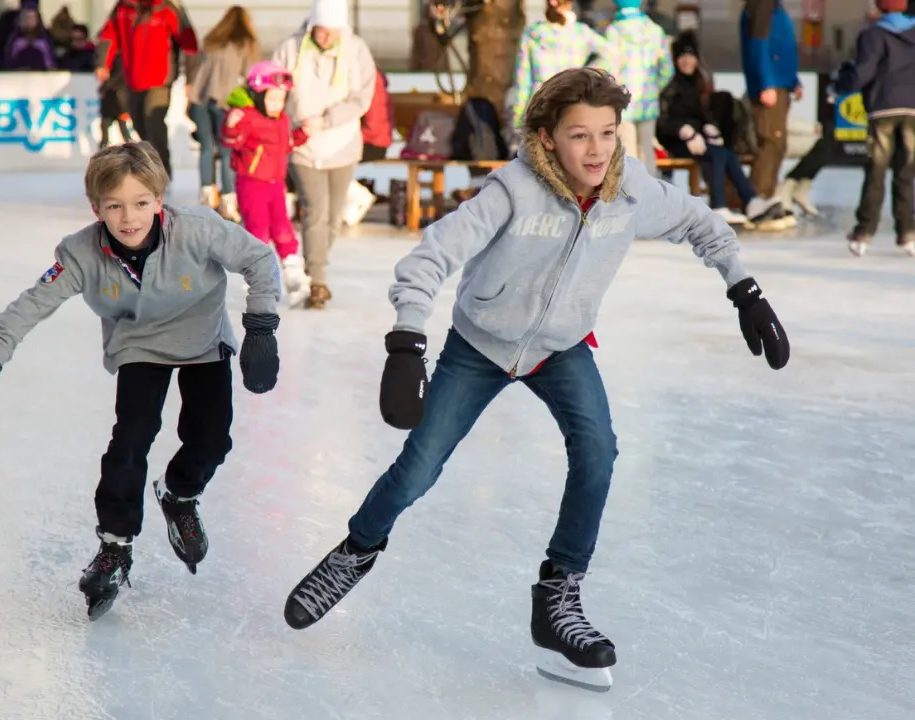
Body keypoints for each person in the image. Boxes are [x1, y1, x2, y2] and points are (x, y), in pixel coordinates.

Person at [281, 68, 790, 692]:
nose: (598, 149)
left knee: (598, 452)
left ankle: (558, 596)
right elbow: (430, 255)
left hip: (561, 347)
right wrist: (408, 342)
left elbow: (701, 224)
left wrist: (744, 287)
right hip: (480, 345)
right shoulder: (512, 190)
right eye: (581, 136)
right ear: (548, 139)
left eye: (607, 133)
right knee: (418, 467)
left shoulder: (629, 191)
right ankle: (356, 551)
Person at [0, 142, 282, 621]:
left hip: (204, 341)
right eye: (114, 206)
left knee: (211, 439)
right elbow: (30, 304)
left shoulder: (197, 229)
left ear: (159, 199)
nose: (129, 218)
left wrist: (261, 326)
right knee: (130, 441)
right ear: (96, 207)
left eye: (141, 203)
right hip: (138, 346)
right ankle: (115, 544)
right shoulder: (81, 252)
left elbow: (260, 259)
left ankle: (179, 493)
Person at [273, 0, 377, 309]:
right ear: (312, 26)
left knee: (333, 217)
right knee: (315, 211)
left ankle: (313, 265)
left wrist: (328, 119)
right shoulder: (291, 49)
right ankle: (318, 281)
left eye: (332, 32)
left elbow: (363, 97)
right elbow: (272, 85)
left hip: (342, 145)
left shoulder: (356, 49)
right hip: (303, 145)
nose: (326, 38)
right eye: (321, 31)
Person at [657, 31, 784, 227]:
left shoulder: (698, 83)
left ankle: (751, 201)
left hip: (696, 139)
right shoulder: (671, 87)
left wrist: (709, 127)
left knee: (726, 153)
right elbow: (664, 121)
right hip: (676, 141)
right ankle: (718, 206)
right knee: (717, 155)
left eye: (690, 56)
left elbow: (700, 114)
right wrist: (686, 132)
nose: (687, 61)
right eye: (682, 57)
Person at [222, 61, 313, 306]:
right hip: (252, 185)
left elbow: (285, 146)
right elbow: (232, 142)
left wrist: (302, 134)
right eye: (272, 99)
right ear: (258, 96)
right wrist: (231, 125)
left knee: (283, 228)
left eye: (281, 100)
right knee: (259, 230)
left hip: (275, 185)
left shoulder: (282, 120)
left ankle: (293, 273)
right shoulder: (248, 117)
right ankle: (261, 278)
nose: (276, 105)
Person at [835, 0, 915, 257]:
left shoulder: (874, 34)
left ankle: (864, 232)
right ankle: (908, 232)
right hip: (913, 109)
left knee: (877, 171)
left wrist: (842, 81)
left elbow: (863, 72)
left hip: (883, 109)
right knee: (906, 171)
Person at [95, 0, 200, 180]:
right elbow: (108, 34)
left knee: (154, 122)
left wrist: (191, 78)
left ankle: (162, 172)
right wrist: (103, 62)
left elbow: (189, 42)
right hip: (132, 77)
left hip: (160, 78)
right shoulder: (123, 7)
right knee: (138, 124)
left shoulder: (167, 8)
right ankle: (151, 166)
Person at [188, 5, 259, 221]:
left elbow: (199, 74)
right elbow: (251, 78)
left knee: (207, 149)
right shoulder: (245, 45)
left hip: (201, 100)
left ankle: (207, 197)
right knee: (228, 153)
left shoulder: (212, 42)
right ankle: (229, 200)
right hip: (227, 105)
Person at [740, 0, 801, 228]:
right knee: (771, 141)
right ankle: (758, 201)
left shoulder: (774, 5)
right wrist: (766, 83)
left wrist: (793, 79)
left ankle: (767, 197)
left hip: (780, 82)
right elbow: (759, 45)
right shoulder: (761, 5)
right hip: (770, 84)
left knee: (779, 143)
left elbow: (782, 45)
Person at [594, 0, 673, 178]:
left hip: (622, 101)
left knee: (627, 153)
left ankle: (630, 200)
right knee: (647, 152)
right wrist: (653, 88)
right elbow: (667, 69)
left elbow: (609, 68)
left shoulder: (613, 31)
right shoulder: (654, 30)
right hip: (649, 100)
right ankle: (651, 199)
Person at [510, 0, 607, 133]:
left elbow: (523, 78)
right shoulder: (581, 32)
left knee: (541, 149)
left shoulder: (533, 34)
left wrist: (518, 116)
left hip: (541, 99)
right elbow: (611, 53)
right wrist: (586, 73)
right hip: (573, 97)